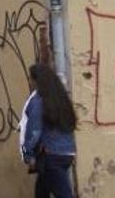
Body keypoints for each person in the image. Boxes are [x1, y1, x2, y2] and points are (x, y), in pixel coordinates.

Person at [20, 64, 77, 198]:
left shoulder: (39, 101)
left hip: (51, 156)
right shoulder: (61, 100)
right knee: (41, 191)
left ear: (37, 81)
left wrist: (28, 155)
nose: (29, 82)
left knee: (64, 194)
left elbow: (34, 131)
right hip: (67, 153)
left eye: (31, 79)